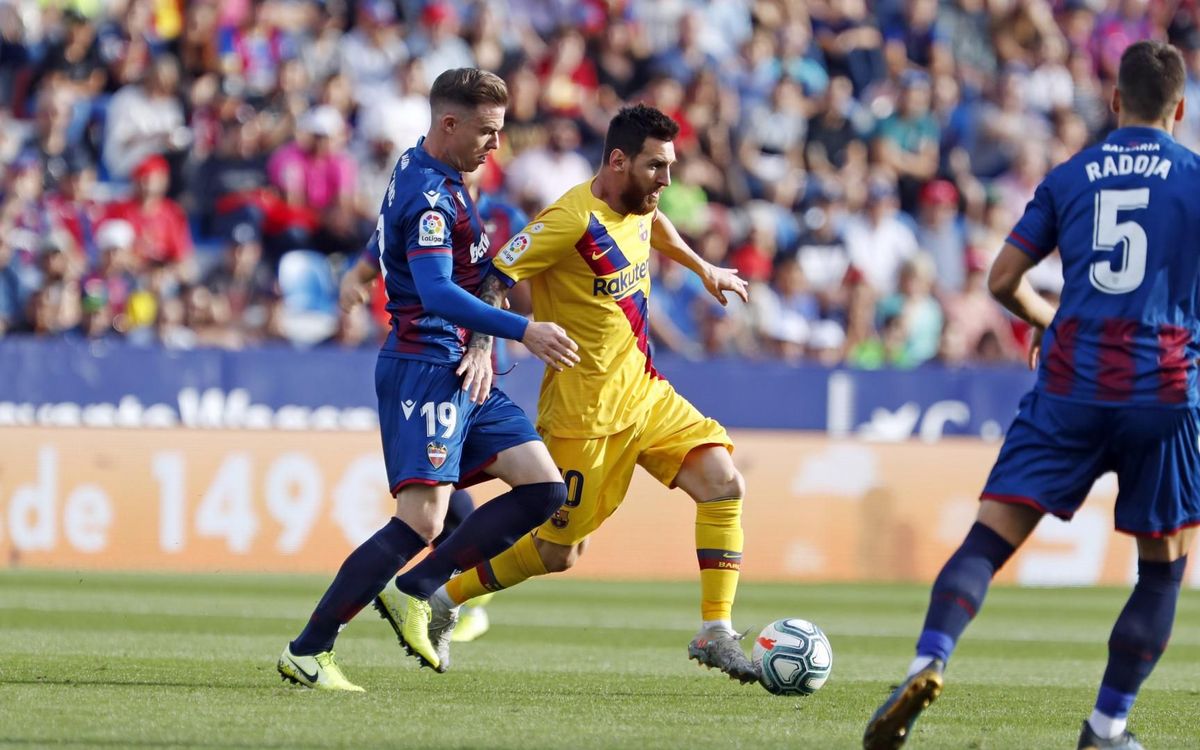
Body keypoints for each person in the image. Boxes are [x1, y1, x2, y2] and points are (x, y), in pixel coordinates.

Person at [863, 41, 1199, 750]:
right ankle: (1106, 727)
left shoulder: (1071, 175)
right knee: (1163, 568)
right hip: (1162, 391)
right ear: (1179, 108)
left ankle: (929, 660)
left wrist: (1055, 321)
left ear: (1114, 102)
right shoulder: (1195, 177)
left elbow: (1002, 279)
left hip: (1071, 383)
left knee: (989, 537)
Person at [402, 104, 757, 683]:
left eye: (669, 167)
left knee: (723, 483)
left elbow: (653, 226)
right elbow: (496, 275)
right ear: (618, 161)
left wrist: (701, 268)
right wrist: (484, 347)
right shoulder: (569, 219)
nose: (665, 182)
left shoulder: (641, 204)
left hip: (646, 393)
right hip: (583, 417)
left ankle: (716, 631)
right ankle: (447, 597)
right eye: (655, 168)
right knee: (557, 553)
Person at [277, 68, 580, 691]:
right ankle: (310, 649)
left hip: (462, 364)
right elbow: (438, 290)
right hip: (426, 367)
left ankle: (418, 587)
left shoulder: (429, 172)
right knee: (420, 520)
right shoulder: (433, 197)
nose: (496, 146)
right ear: (449, 123)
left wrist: (482, 337)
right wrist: (522, 329)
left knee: (545, 490)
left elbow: (430, 261)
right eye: (488, 132)